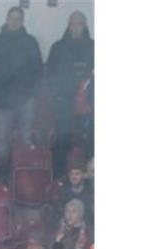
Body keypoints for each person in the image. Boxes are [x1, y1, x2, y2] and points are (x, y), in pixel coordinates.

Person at [0, 7, 43, 180]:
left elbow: (38, 70)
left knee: (26, 139)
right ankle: (3, 178)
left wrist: (33, 93)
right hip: (2, 100)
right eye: (12, 18)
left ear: (23, 21)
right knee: (2, 143)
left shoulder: (31, 42)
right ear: (6, 19)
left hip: (25, 99)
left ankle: (25, 179)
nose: (14, 21)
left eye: (18, 18)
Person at [44, 12, 94, 176]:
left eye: (79, 23)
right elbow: (50, 75)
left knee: (92, 139)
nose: (76, 27)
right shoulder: (57, 47)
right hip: (63, 102)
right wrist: (55, 98)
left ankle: (91, 179)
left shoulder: (94, 47)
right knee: (61, 138)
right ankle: (60, 178)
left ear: (85, 25)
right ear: (68, 25)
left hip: (88, 104)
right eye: (73, 23)